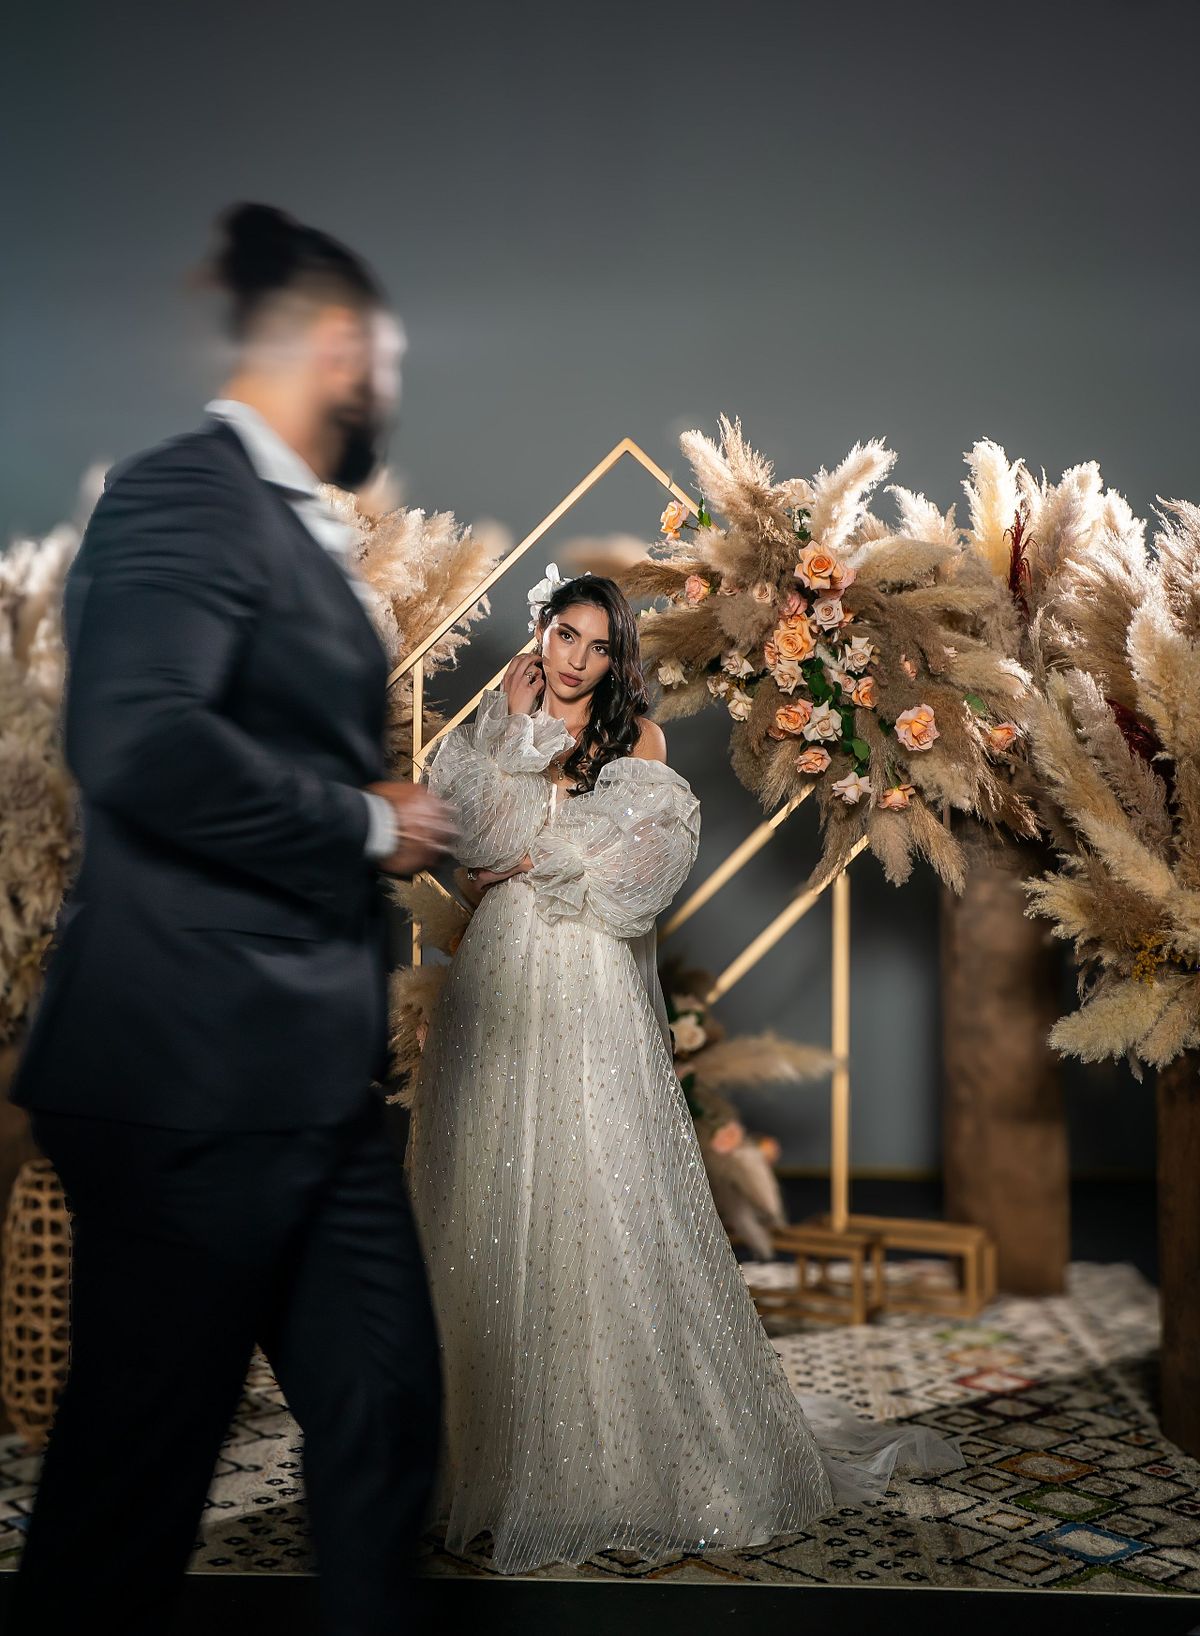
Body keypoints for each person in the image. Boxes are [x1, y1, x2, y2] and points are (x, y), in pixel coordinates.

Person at [9, 203, 453, 1635]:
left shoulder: (289, 525)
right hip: (186, 1077)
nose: (388, 394)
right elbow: (139, 742)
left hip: (307, 1084)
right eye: (385, 363)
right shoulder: (181, 495)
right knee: (133, 1487)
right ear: (338, 348)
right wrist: (369, 823)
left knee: (385, 1405)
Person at [406, 569, 962, 1575]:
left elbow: (632, 881)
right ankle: (485, 1454)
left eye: (597, 646)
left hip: (587, 987)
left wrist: (523, 859)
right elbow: (468, 840)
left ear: (617, 659)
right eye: (563, 636)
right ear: (540, 632)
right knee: (488, 1187)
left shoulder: (642, 746)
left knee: (596, 1191)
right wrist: (520, 746)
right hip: (498, 980)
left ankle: (608, 1458)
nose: (575, 661)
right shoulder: (500, 724)